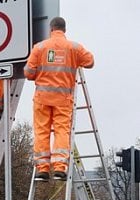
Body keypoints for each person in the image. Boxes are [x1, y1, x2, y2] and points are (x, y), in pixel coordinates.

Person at [24, 16, 94, 181]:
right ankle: (60, 168)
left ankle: (42, 169)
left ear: (51, 29)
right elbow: (90, 61)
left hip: (42, 98)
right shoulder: (74, 48)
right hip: (63, 99)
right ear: (64, 30)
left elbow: (28, 72)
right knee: (62, 131)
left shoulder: (39, 47)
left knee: (42, 131)